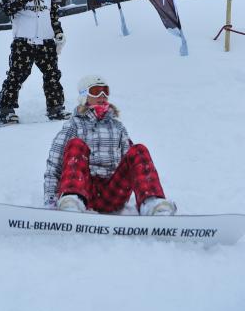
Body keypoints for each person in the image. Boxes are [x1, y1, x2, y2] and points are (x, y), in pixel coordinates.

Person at [44, 75, 177, 216]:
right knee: (76, 145)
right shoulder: (74, 125)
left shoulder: (118, 127)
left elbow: (133, 165)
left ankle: (152, 203)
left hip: (113, 192)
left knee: (138, 150)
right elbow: (54, 164)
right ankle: (71, 202)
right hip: (83, 189)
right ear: (84, 96)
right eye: (96, 91)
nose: (102, 96)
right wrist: (50, 199)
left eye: (105, 91)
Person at [0, 0, 69, 125]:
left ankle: (56, 108)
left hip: (46, 42)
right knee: (17, 75)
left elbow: (53, 17)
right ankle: (6, 110)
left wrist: (58, 34)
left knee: (52, 75)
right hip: (24, 42)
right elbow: (7, 9)